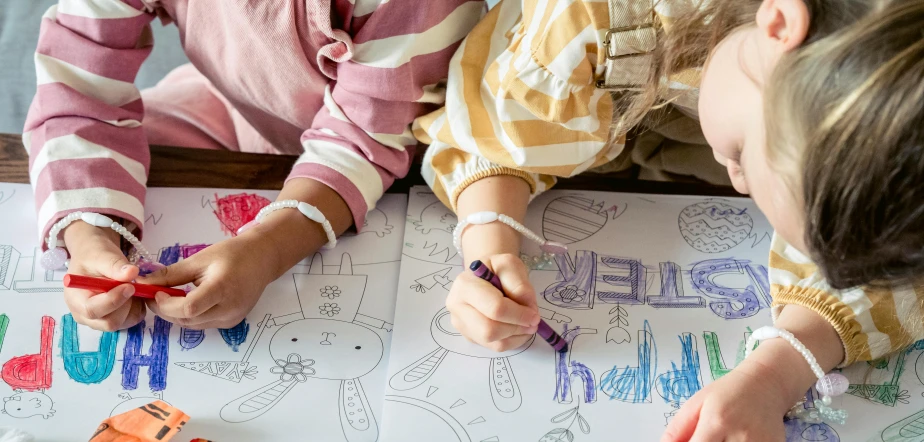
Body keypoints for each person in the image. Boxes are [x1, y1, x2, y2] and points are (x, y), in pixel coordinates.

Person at [417, 0, 924, 440]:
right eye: (742, 156)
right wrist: (491, 246)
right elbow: (491, 128)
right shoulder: (586, 18)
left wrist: (773, 377)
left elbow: (894, 276)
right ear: (777, 26)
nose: (740, 187)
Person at [24, 0, 485, 331]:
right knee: (110, 155)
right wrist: (90, 234)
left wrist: (266, 248)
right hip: (236, 104)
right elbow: (78, 93)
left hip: (399, 139)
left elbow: (365, 140)